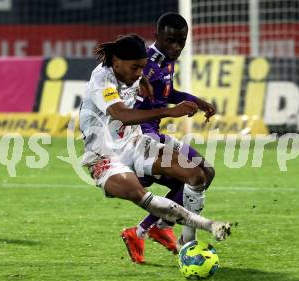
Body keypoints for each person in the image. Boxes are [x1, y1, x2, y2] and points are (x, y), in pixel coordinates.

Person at [79, 33, 231, 264]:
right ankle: (206, 226)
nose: (140, 72)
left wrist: (141, 80)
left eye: (142, 68)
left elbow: (147, 87)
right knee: (141, 195)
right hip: (103, 156)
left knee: (197, 175)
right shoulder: (103, 79)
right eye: (135, 68)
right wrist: (169, 111)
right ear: (117, 62)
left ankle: (187, 244)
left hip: (135, 143)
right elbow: (121, 114)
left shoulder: (132, 74)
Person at [120, 12, 217, 263]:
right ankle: (182, 240)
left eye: (181, 42)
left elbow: (168, 91)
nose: (176, 47)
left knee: (206, 171)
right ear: (157, 36)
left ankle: (155, 228)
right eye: (170, 41)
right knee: (191, 177)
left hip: (156, 133)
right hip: (139, 138)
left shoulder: (166, 61)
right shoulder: (143, 64)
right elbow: (126, 104)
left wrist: (198, 101)